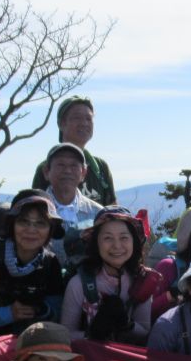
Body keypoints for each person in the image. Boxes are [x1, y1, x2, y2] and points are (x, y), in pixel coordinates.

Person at [0, 190, 65, 342]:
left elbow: (57, 311)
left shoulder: (51, 263)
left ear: (51, 229)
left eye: (41, 223)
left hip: (23, 347)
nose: (31, 230)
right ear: (12, 224)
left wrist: (40, 310)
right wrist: (8, 314)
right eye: (23, 221)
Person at [60, 206, 156, 345]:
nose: (117, 245)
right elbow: (66, 334)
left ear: (134, 242)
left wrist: (126, 324)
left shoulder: (141, 280)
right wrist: (92, 335)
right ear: (96, 243)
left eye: (124, 237)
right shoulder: (79, 284)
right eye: (107, 238)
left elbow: (145, 333)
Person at [31, 95, 116, 205]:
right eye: (77, 118)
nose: (84, 123)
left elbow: (113, 210)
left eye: (88, 119)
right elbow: (35, 212)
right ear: (61, 124)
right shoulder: (47, 168)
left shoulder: (100, 168)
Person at [42, 142, 104, 272]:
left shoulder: (98, 213)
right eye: (60, 165)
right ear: (46, 171)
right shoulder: (35, 210)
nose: (67, 171)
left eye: (74, 165)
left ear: (83, 173)